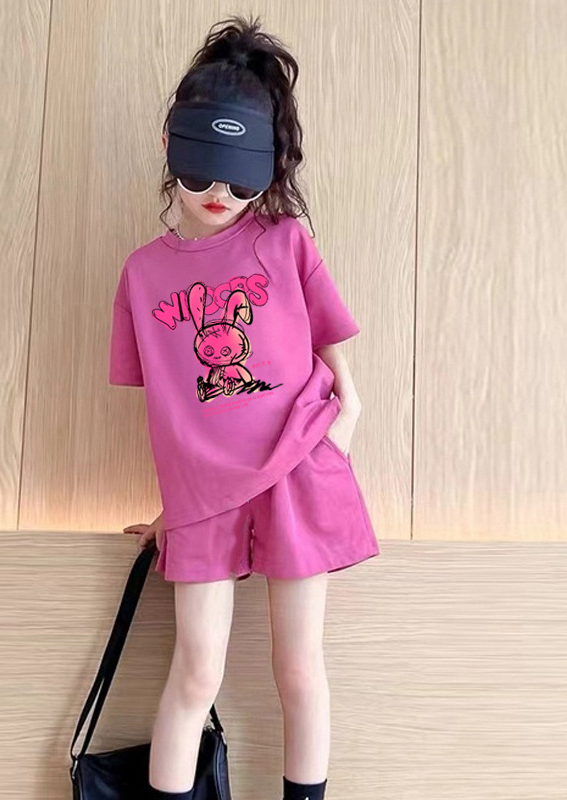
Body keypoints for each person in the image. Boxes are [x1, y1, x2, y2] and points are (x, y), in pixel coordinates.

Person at [108, 14, 379, 800]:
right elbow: (173, 409)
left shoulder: (285, 241)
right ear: (170, 149)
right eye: (200, 175)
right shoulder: (141, 274)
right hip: (202, 497)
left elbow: (334, 350)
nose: (219, 196)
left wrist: (344, 423)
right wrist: (175, 505)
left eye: (240, 181)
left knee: (298, 668)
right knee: (196, 672)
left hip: (298, 470)